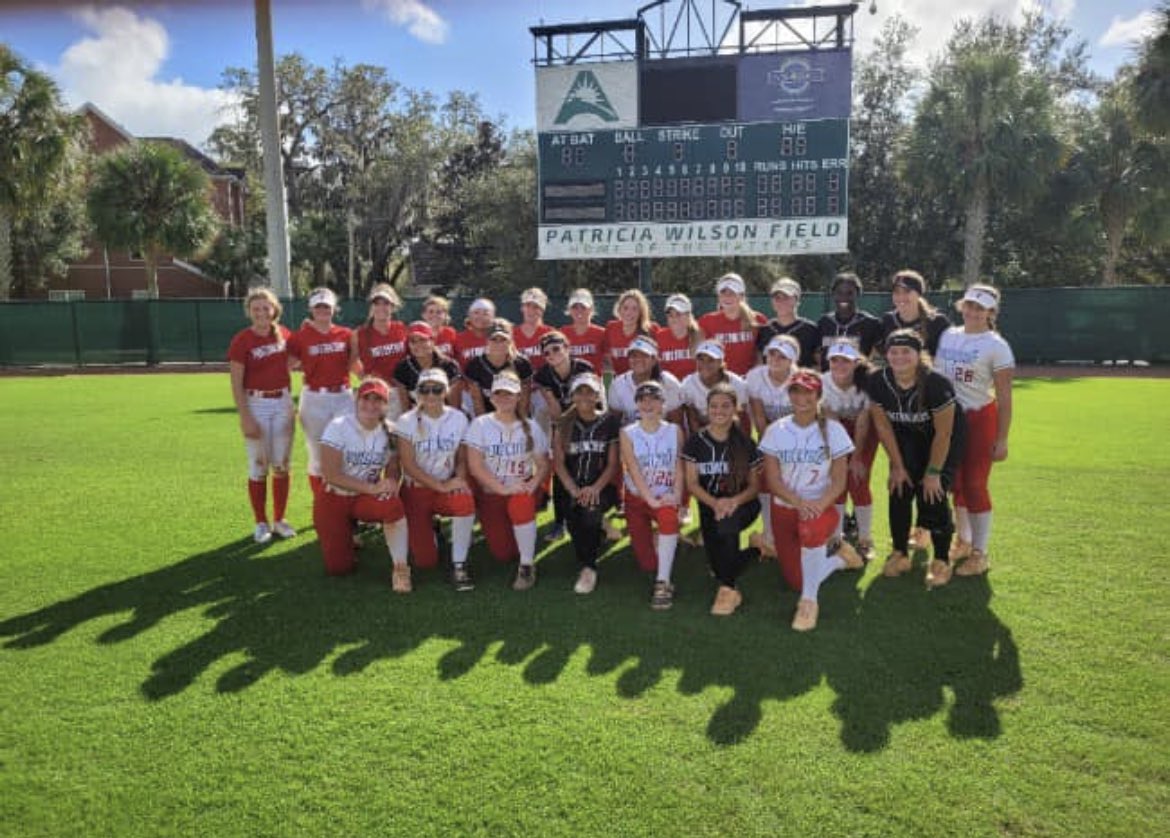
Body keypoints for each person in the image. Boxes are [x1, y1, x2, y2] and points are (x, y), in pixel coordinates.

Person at [759, 371, 864, 631]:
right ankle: (840, 558)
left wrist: (818, 504)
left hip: (820, 507)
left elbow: (840, 481)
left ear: (818, 395)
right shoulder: (776, 430)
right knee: (795, 579)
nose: (801, 397)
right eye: (795, 391)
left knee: (809, 533)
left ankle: (809, 602)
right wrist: (797, 502)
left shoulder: (834, 429)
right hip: (785, 509)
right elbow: (772, 480)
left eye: (808, 392)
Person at [866, 329, 966, 588]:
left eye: (906, 351)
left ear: (918, 354)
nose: (899, 357)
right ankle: (900, 553)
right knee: (899, 487)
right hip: (907, 439)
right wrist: (897, 466)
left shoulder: (935, 383)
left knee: (932, 493)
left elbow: (944, 433)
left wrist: (933, 474)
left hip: (943, 440)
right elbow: (884, 428)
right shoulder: (878, 381)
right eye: (893, 352)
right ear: (886, 354)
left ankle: (942, 559)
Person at [934, 284, 1014, 577]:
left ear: (991, 312)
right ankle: (964, 541)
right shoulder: (949, 335)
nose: (972, 312)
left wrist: (1002, 438)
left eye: (980, 308)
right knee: (956, 483)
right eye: (969, 305)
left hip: (980, 418)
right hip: (949, 420)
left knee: (976, 485)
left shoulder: (996, 345)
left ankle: (980, 553)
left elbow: (1005, 396)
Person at [314, 377, 410, 587]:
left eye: (378, 399)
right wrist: (372, 487)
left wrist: (392, 481)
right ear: (357, 400)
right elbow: (331, 474)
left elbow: (393, 466)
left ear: (386, 404)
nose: (371, 404)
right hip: (334, 497)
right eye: (366, 398)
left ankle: (401, 567)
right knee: (339, 568)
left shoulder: (391, 431)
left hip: (364, 497)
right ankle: (346, 532)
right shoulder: (338, 426)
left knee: (393, 504)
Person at [464, 371, 551, 591]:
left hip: (520, 489)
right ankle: (519, 539)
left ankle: (527, 565)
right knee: (503, 554)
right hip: (492, 493)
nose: (504, 399)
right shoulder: (480, 424)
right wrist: (501, 489)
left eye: (509, 394)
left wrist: (534, 483)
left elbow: (543, 464)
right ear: (491, 397)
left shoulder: (530, 426)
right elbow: (475, 466)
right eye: (499, 394)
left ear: (518, 397)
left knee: (521, 501)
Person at [682, 383, 762, 616]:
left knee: (727, 527)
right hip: (709, 506)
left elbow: (755, 487)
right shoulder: (695, 442)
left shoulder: (745, 442)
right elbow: (692, 484)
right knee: (719, 565)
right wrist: (715, 503)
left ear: (735, 408)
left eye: (726, 405)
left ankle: (729, 591)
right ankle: (757, 550)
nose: (719, 410)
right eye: (714, 406)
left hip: (743, 504)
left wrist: (732, 502)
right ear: (707, 409)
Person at [394, 368, 477, 591]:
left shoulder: (458, 417)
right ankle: (433, 530)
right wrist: (440, 485)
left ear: (446, 391)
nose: (431, 395)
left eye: (437, 389)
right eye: (425, 389)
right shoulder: (406, 420)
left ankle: (459, 564)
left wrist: (459, 480)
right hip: (417, 490)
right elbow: (408, 465)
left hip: (446, 484)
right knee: (425, 561)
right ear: (417, 392)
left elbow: (462, 457)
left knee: (464, 499)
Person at [227, 287, 296, 543]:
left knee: (281, 465)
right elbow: (236, 382)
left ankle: (279, 519)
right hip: (256, 402)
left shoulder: (285, 335)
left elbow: (298, 360)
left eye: (265, 308)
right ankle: (260, 522)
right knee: (258, 465)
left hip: (283, 401)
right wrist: (244, 416)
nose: (261, 313)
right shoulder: (242, 340)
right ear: (249, 312)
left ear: (274, 309)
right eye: (256, 308)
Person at [552, 373, 622, 594]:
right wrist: (573, 489)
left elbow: (612, 465)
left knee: (590, 511)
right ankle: (598, 535)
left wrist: (594, 488)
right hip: (570, 486)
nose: (584, 396)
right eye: (579, 392)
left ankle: (589, 569)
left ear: (597, 395)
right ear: (572, 395)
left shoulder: (609, 421)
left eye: (589, 391)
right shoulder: (563, 423)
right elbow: (559, 463)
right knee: (578, 532)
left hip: (602, 487)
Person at [620, 379, 684, 610]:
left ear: (663, 404)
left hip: (664, 496)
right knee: (647, 563)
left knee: (667, 516)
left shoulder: (674, 431)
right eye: (642, 399)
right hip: (639, 498)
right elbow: (633, 469)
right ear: (636, 405)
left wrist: (676, 496)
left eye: (654, 399)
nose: (648, 404)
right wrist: (649, 499)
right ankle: (662, 542)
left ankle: (663, 582)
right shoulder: (628, 433)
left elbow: (678, 465)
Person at [288, 287, 355, 497]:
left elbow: (355, 365)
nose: (323, 310)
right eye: (318, 306)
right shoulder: (300, 336)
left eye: (327, 306)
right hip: (315, 397)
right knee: (317, 455)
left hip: (343, 396)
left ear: (334, 309)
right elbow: (285, 366)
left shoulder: (346, 334)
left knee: (346, 451)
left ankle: (346, 502)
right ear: (311, 309)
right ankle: (322, 504)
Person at [534, 330, 596, 542]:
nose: (552, 354)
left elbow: (590, 400)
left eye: (556, 349)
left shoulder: (583, 367)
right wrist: (562, 435)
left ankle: (594, 518)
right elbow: (554, 409)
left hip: (589, 418)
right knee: (560, 468)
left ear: (567, 348)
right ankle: (560, 522)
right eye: (547, 352)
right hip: (562, 422)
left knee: (590, 465)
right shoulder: (543, 375)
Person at [821, 341, 877, 560]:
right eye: (835, 360)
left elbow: (863, 422)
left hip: (865, 432)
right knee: (837, 483)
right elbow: (831, 420)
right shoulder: (823, 382)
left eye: (845, 360)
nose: (839, 364)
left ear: (856, 362)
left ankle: (865, 539)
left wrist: (856, 457)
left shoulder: (868, 381)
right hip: (837, 429)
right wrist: (841, 459)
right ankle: (836, 538)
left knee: (859, 481)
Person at [745, 333, 800, 557]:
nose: (775, 359)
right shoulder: (755, 376)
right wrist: (770, 448)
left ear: (792, 360)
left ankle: (797, 531)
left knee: (795, 482)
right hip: (768, 437)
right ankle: (769, 534)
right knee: (766, 481)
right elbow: (759, 416)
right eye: (772, 354)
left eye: (782, 356)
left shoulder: (800, 380)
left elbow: (802, 418)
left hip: (796, 439)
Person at [352, 284, 408, 421]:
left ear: (393, 307)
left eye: (386, 303)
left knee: (400, 434)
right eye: (377, 303)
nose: (381, 308)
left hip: (401, 390)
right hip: (376, 392)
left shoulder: (401, 328)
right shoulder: (361, 333)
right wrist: (364, 377)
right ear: (371, 307)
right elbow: (351, 360)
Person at [697, 272, 767, 376]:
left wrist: (752, 377)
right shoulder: (706, 321)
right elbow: (701, 357)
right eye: (723, 292)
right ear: (718, 296)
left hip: (750, 382)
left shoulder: (758, 320)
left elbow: (762, 355)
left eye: (732, 293)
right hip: (719, 381)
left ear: (742, 296)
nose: (727, 296)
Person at [464, 318, 534, 417]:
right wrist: (485, 426)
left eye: (503, 339)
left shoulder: (521, 364)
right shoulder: (475, 365)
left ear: (510, 341)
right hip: (488, 417)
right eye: (494, 339)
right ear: (487, 340)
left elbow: (524, 403)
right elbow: (477, 403)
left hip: (516, 418)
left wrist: (520, 426)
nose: (498, 343)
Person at [607, 335, 683, 425]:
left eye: (644, 355)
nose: (638, 359)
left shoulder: (669, 382)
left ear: (654, 360)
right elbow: (614, 423)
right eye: (634, 356)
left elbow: (676, 422)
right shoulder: (618, 385)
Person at [816, 272, 883, 367]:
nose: (844, 297)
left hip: (859, 379)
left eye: (850, 293)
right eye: (839, 293)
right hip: (829, 379)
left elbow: (880, 356)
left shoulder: (871, 323)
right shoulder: (824, 322)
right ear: (833, 294)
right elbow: (817, 354)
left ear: (858, 294)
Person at [680, 340, 747, 431]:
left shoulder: (738, 384)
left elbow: (740, 418)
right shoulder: (688, 384)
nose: (705, 364)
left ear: (720, 362)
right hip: (701, 431)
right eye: (701, 359)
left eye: (711, 360)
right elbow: (692, 420)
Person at [880, 269, 950, 357]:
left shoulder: (937, 321)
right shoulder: (887, 320)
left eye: (907, 291)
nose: (901, 297)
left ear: (919, 294)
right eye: (896, 292)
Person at [393, 321, 462, 409]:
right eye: (413, 341)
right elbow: (405, 408)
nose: (418, 345)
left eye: (422, 340)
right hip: (417, 415)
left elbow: (455, 406)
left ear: (432, 341)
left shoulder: (449, 366)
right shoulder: (402, 368)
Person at [755, 277, 819, 368]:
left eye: (786, 297)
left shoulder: (810, 329)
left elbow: (817, 364)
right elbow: (760, 362)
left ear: (797, 300)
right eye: (777, 298)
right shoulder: (765, 330)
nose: (781, 301)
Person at [604, 289, 655, 376]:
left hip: (644, 380)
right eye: (625, 308)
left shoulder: (651, 330)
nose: (629, 313)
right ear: (619, 309)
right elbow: (606, 357)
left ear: (641, 312)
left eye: (635, 309)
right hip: (620, 381)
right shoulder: (611, 328)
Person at [655, 293, 701, 381]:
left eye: (678, 314)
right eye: (670, 315)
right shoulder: (659, 336)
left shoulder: (700, 336)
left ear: (688, 315)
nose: (674, 318)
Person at [563, 288, 606, 373]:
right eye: (575, 307)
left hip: (593, 382)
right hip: (569, 383)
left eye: (583, 307)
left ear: (591, 309)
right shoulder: (562, 334)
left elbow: (611, 363)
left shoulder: (602, 334)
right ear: (569, 310)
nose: (579, 311)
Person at [513, 287, 554, 371]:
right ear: (522, 308)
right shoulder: (512, 334)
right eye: (528, 305)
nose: (531, 310)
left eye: (536, 307)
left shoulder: (551, 334)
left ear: (542, 310)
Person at [421, 294, 458, 360]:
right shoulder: (419, 334)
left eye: (438, 312)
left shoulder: (450, 332)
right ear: (424, 315)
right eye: (431, 312)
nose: (434, 315)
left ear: (445, 315)